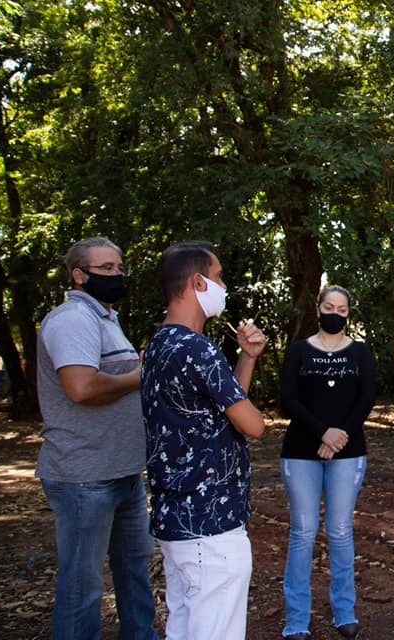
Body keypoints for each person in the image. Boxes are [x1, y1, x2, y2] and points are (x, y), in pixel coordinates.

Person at [141, 241, 266, 640]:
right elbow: (252, 424)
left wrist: (246, 358)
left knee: (185, 624)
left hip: (176, 518)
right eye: (218, 278)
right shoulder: (198, 349)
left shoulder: (159, 343)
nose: (223, 286)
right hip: (210, 523)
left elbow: (219, 410)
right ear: (197, 282)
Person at [36, 237, 158, 640]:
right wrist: (137, 377)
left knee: (134, 569)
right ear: (79, 275)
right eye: (106, 268)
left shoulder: (107, 318)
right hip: (84, 476)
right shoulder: (72, 319)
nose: (117, 275)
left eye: (119, 267)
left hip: (122, 471)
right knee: (82, 586)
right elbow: (81, 387)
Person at [278, 285, 376, 640]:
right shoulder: (299, 351)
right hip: (301, 452)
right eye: (329, 306)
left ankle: (344, 612)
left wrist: (339, 437)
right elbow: (287, 398)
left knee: (339, 530)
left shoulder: (360, 352)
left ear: (349, 313)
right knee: (303, 532)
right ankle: (296, 619)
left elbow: (367, 397)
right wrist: (322, 433)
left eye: (342, 308)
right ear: (318, 308)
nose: (335, 312)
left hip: (348, 453)